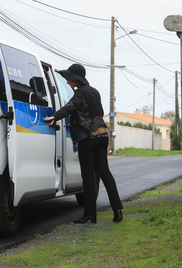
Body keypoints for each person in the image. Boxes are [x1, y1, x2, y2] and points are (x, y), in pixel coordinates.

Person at [45, 63, 123, 224]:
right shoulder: (94, 91)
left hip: (88, 138)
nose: (67, 82)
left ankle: (89, 215)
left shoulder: (80, 93)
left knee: (88, 177)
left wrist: (54, 117)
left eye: (69, 79)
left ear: (76, 79)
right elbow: (100, 112)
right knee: (105, 173)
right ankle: (118, 210)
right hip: (102, 135)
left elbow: (70, 107)